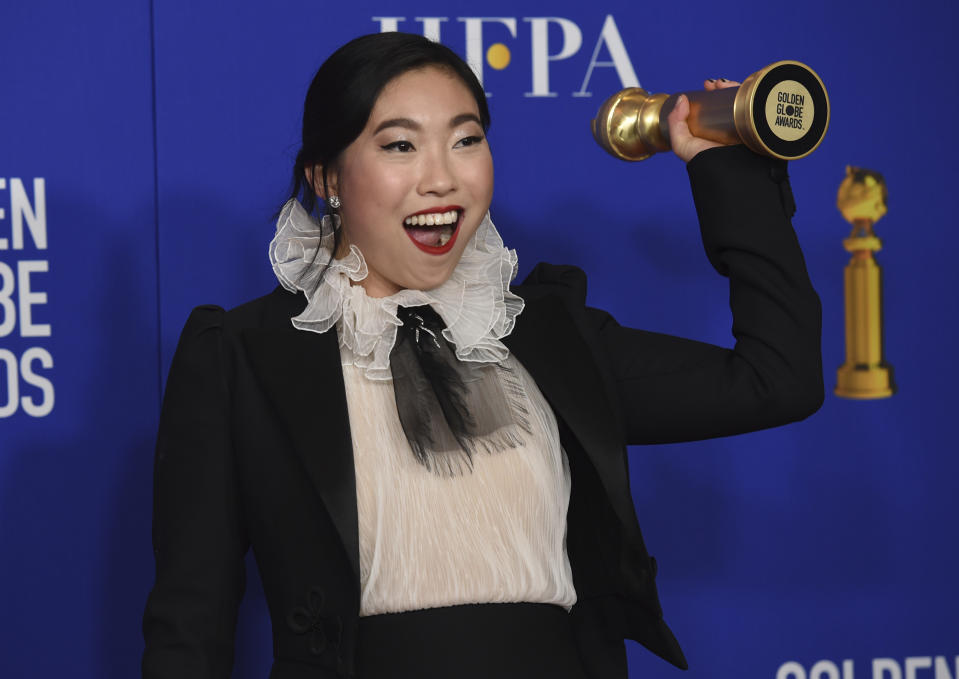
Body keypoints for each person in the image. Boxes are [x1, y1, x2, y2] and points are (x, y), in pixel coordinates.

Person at [142, 32, 823, 679]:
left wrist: (727, 165)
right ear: (326, 178)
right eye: (400, 145)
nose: (441, 178)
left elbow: (778, 380)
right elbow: (190, 624)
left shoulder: (550, 335)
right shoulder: (240, 357)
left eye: (466, 140)